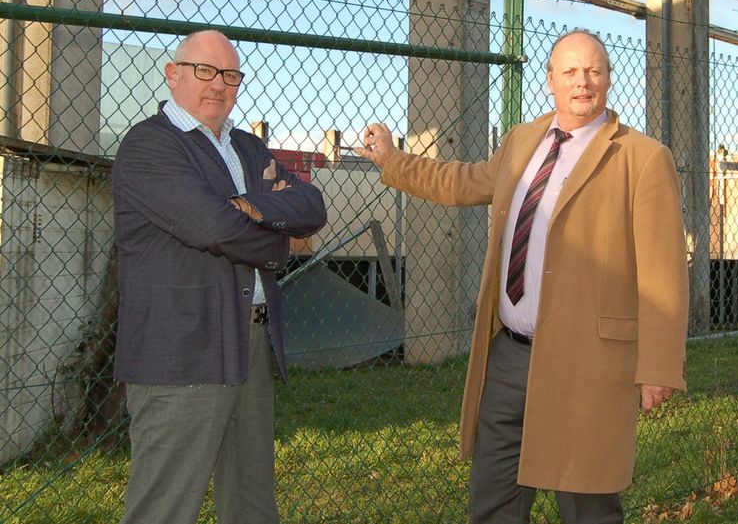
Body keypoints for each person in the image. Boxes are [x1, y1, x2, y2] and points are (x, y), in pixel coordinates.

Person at [356, 30, 689, 524]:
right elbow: (462, 182)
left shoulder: (641, 158)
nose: (583, 82)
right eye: (571, 72)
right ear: (550, 81)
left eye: (594, 71)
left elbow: (664, 273)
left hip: (590, 361)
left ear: (609, 80)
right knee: (494, 501)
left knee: (588, 505)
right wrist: (392, 160)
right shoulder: (522, 141)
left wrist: (659, 366)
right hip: (510, 355)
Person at [112, 29, 327, 524]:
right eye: (204, 71)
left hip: (249, 343)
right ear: (173, 75)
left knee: (252, 502)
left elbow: (311, 204)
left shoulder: (248, 148)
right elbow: (213, 228)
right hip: (181, 350)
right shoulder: (150, 146)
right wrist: (284, 237)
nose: (218, 85)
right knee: (164, 507)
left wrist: (251, 207)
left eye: (230, 74)